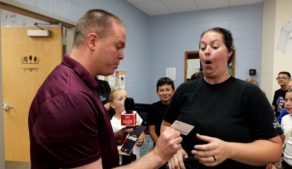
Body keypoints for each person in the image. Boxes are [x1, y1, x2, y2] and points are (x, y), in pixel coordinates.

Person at [28, 9, 182, 169]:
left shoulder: (82, 84)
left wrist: (110, 138)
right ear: (92, 41)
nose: (122, 56)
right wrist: (159, 155)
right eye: (118, 46)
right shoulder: (71, 98)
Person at [161, 27, 282, 169]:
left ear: (229, 52)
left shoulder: (250, 93)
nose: (206, 51)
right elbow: (166, 125)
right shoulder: (185, 90)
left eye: (215, 46)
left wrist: (229, 150)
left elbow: (274, 149)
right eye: (202, 47)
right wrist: (173, 149)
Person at [109, 88, 145, 165]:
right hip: (122, 162)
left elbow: (141, 130)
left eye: (126, 98)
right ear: (112, 104)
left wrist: (142, 137)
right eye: (121, 99)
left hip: (136, 159)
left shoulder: (134, 114)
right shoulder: (111, 123)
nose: (125, 101)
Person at [149, 77, 175, 144]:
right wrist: (160, 145)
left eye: (167, 90)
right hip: (159, 144)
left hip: (176, 145)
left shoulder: (179, 107)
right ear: (157, 92)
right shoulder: (153, 107)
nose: (165, 93)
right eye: (161, 90)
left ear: (173, 91)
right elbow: (151, 131)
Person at [280, 87, 292, 169]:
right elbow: (283, 140)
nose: (287, 103)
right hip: (285, 163)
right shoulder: (285, 119)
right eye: (286, 99)